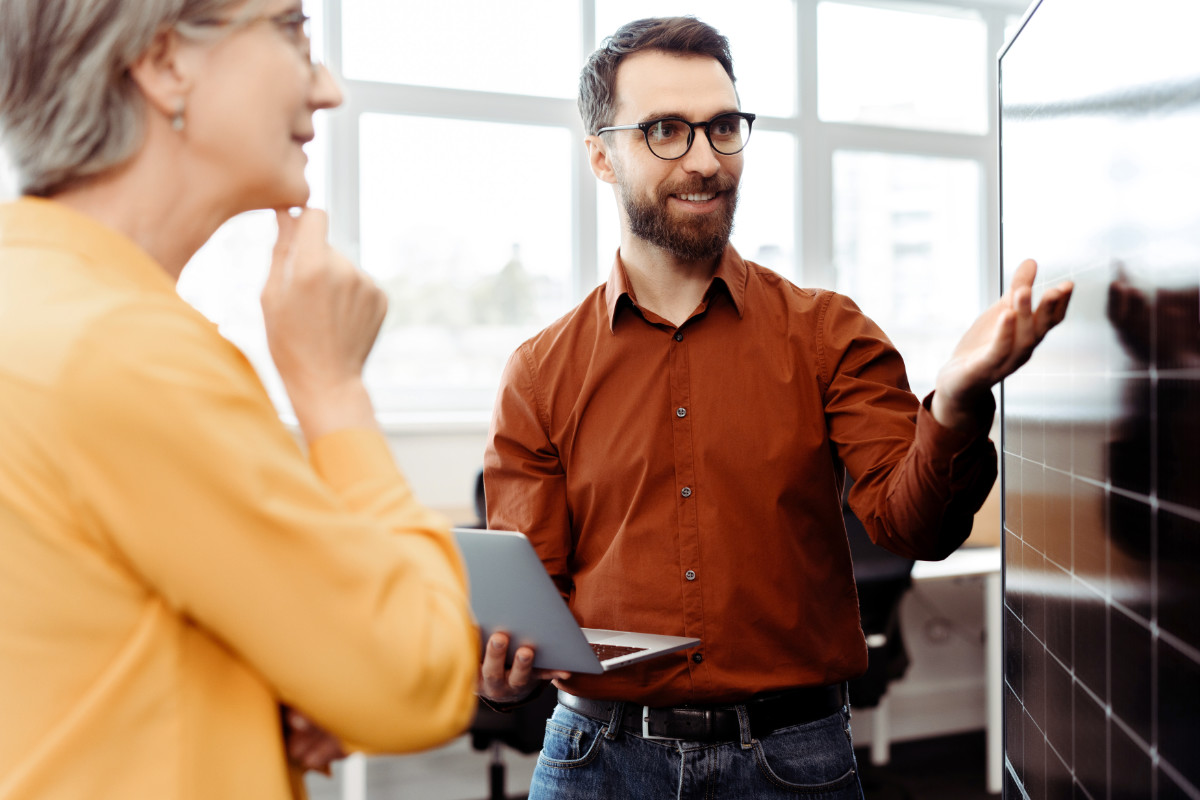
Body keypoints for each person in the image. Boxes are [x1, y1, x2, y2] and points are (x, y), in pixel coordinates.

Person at [478, 16, 1073, 800]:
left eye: (723, 127)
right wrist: (504, 665)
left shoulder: (829, 335)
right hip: (598, 761)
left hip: (791, 763)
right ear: (600, 155)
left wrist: (958, 402)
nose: (705, 160)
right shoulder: (539, 373)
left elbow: (917, 529)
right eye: (665, 131)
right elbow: (527, 603)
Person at [0, 1, 479, 798]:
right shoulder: (130, 354)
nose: (327, 88)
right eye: (291, 30)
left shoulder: (32, 301)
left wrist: (262, 684)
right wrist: (332, 388)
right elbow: (419, 676)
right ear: (165, 62)